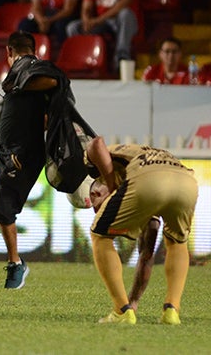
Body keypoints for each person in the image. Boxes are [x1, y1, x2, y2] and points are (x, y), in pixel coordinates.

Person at [0, 31, 65, 290]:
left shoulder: (28, 68)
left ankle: (16, 264)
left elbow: (55, 80)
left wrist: (21, 84)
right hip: (8, 150)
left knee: (3, 206)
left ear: (8, 52)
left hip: (23, 153)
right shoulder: (21, 74)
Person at [85, 136, 198, 325]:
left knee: (99, 235)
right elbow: (147, 253)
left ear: (97, 191)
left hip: (149, 179)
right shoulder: (134, 168)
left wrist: (112, 184)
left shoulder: (113, 166)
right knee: (177, 242)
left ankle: (120, 312)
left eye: (96, 206)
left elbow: (95, 144)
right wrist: (134, 300)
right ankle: (172, 311)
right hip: (187, 182)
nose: (98, 211)